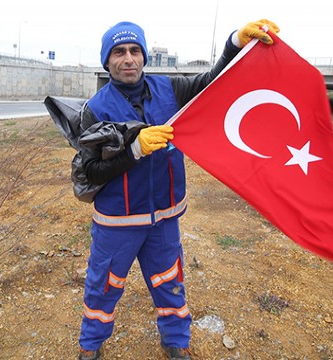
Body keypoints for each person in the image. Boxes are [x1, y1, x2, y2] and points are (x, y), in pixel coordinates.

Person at [77, 19, 279, 360]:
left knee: (170, 283)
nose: (128, 59)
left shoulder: (169, 89)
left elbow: (213, 82)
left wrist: (235, 43)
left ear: (143, 56)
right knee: (102, 288)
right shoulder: (95, 109)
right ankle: (90, 346)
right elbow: (91, 171)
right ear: (107, 61)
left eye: (135, 50)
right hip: (117, 224)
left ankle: (175, 341)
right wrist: (134, 150)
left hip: (164, 219)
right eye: (119, 52)